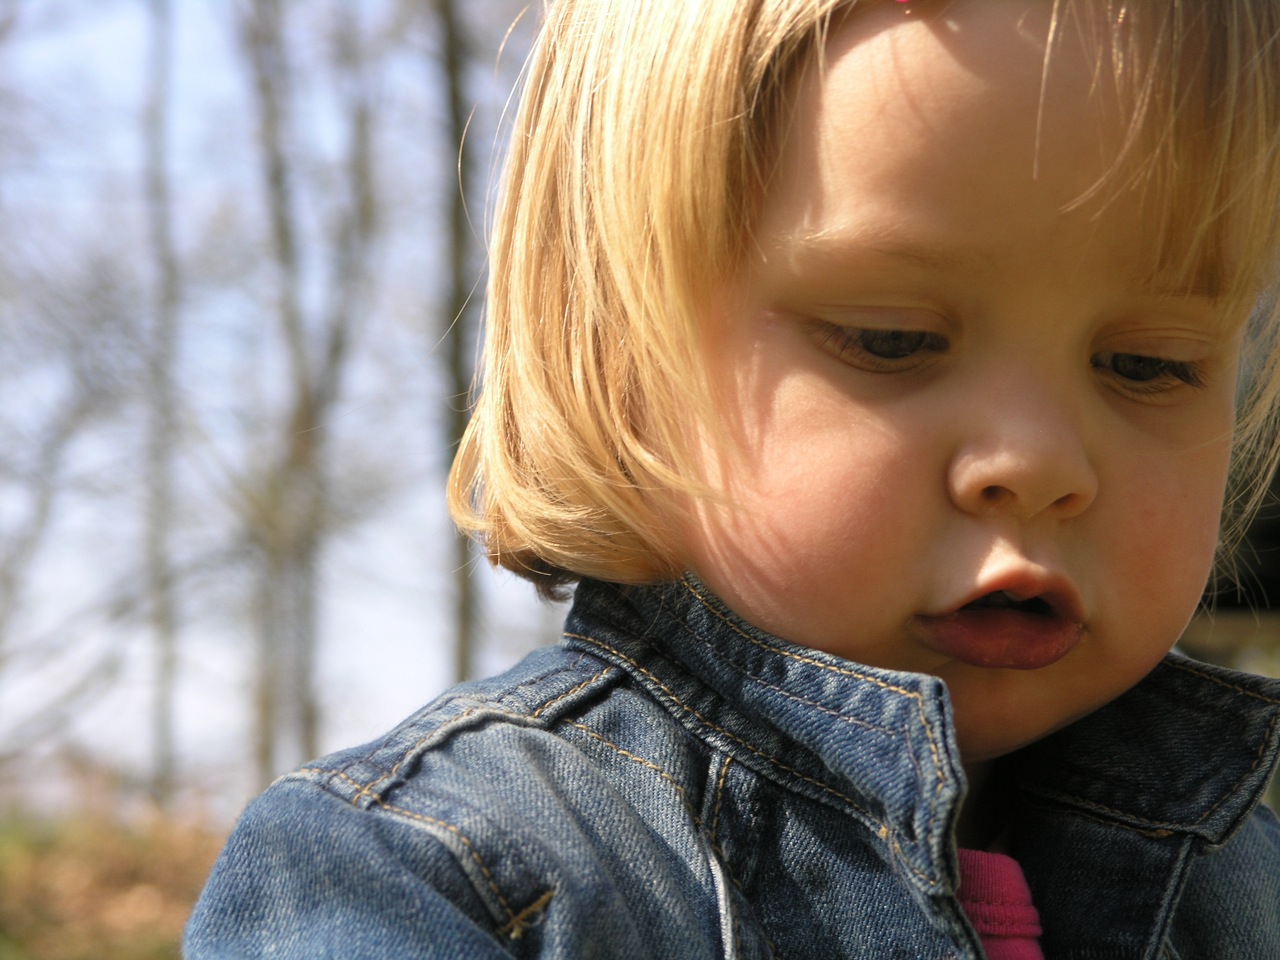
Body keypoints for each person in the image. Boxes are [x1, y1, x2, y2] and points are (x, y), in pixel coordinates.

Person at [186, 0, 1280, 956]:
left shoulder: (1245, 879)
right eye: (889, 338)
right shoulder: (446, 870)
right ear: (617, 362)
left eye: (1148, 364)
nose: (1041, 464)